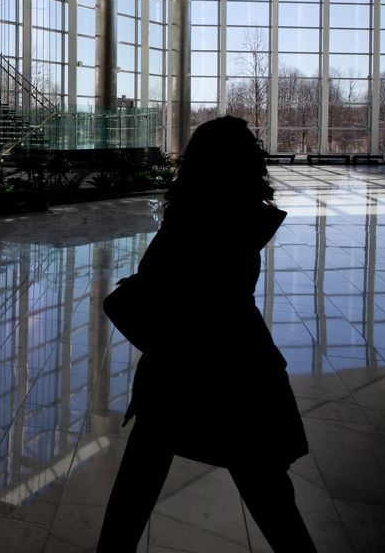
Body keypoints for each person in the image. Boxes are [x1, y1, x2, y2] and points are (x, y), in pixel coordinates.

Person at [98, 116, 314, 552]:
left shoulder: (191, 223)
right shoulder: (245, 219)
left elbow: (161, 284)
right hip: (243, 374)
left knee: (132, 499)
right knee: (272, 501)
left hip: (178, 376)